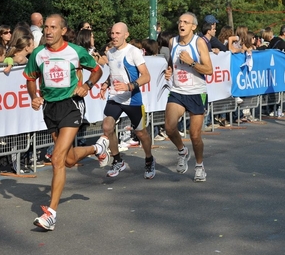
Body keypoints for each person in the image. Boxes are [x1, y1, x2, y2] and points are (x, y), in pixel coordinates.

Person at [23, 14, 109, 231]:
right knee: (68, 160)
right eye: (46, 28)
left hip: (72, 104)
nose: (48, 31)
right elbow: (31, 78)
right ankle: (97, 147)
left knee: (57, 158)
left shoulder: (75, 51)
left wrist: (88, 85)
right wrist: (34, 96)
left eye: (53, 27)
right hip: (50, 108)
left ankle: (51, 214)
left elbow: (97, 70)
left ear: (63, 30)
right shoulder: (38, 54)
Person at [99, 22, 156, 179]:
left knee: (141, 133)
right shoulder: (110, 53)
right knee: (107, 127)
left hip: (132, 98)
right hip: (115, 97)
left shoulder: (133, 52)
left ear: (126, 35)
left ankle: (149, 159)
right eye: (112, 33)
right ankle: (118, 161)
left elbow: (146, 76)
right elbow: (113, 73)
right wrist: (105, 84)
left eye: (118, 33)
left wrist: (129, 86)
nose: (114, 36)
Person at [164, 12, 213, 182]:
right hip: (178, 91)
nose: (181, 24)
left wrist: (191, 62)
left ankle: (199, 166)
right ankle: (182, 150)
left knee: (195, 135)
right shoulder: (173, 42)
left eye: (186, 22)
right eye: (180, 21)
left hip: (196, 92)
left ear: (193, 27)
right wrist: (169, 70)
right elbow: (172, 62)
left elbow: (209, 70)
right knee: (169, 128)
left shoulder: (199, 42)